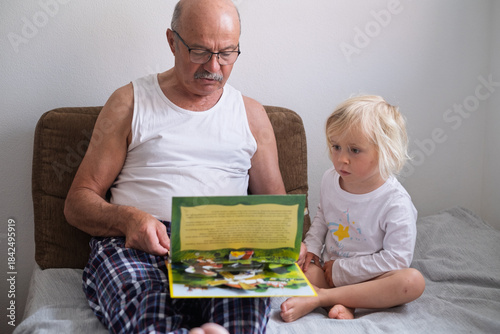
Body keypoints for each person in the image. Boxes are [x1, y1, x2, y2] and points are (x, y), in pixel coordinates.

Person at [64, 0, 300, 333]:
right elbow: (77, 203)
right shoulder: (130, 101)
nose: (214, 67)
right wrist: (129, 219)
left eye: (227, 53)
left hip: (224, 249)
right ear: (172, 41)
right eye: (200, 51)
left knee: (244, 311)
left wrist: (290, 242)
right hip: (135, 245)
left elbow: (276, 211)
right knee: (144, 301)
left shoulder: (251, 115)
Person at [280, 95, 425, 322]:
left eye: (354, 150)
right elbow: (322, 217)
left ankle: (321, 298)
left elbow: (397, 260)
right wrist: (312, 249)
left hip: (372, 280)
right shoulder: (331, 179)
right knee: (293, 265)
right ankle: (338, 300)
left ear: (385, 151)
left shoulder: (395, 202)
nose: (341, 159)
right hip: (328, 271)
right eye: (336, 147)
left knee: (412, 281)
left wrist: (342, 270)